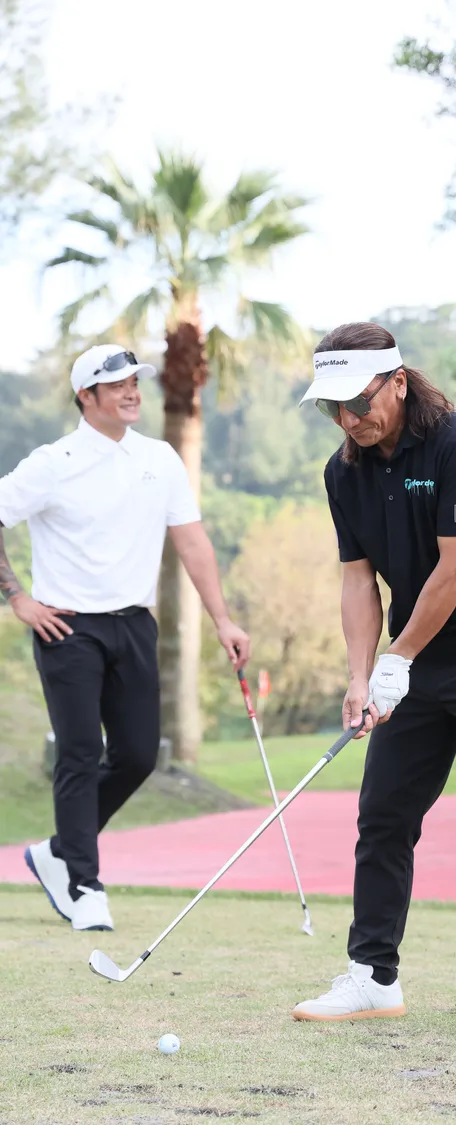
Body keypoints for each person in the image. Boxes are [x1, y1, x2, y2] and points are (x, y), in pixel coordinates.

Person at [292, 322, 456, 1044]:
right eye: (333, 406)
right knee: (383, 814)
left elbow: (455, 569)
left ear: (399, 381)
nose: (349, 418)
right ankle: (373, 976)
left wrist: (397, 659)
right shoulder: (343, 472)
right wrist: (362, 675)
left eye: (360, 401)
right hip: (412, 659)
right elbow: (358, 581)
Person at [0, 344, 250, 932]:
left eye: (135, 382)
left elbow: (192, 542)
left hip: (135, 624)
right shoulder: (52, 462)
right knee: (80, 751)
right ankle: (83, 884)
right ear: (86, 396)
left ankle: (60, 851)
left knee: (137, 755)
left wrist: (223, 620)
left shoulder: (160, 458)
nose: (132, 392)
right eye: (117, 385)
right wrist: (18, 599)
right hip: (69, 628)